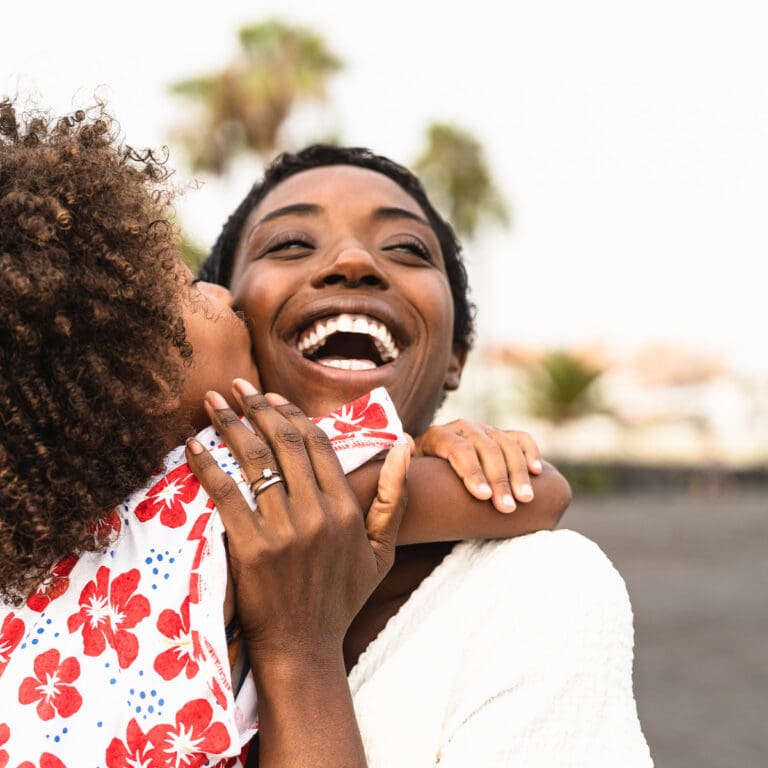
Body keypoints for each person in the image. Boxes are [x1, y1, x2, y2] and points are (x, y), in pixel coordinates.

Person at [0, 102, 569, 767]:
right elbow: (533, 493)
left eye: (406, 248)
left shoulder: (38, 562)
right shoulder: (231, 482)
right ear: (146, 379)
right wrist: (431, 449)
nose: (217, 298)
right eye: (184, 291)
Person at [197, 144, 654, 765]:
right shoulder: (94, 537)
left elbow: (540, 490)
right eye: (290, 244)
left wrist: (298, 652)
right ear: (226, 317)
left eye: (407, 249)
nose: (353, 261)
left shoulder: (536, 592)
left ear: (456, 357)